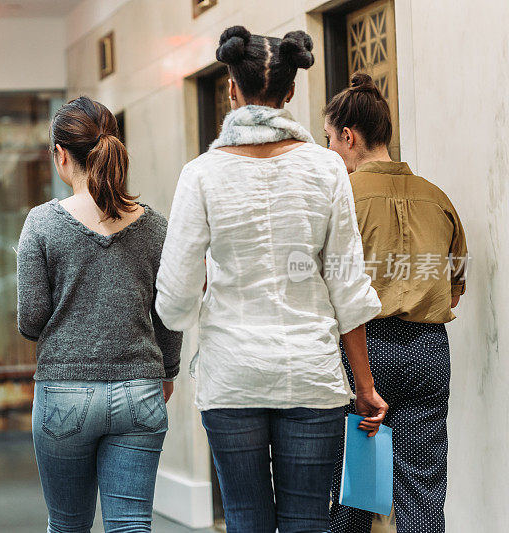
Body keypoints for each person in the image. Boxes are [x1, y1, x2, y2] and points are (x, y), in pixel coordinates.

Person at [155, 26, 389, 533]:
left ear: (231, 88)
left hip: (232, 375)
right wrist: (365, 387)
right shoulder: (327, 169)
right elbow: (347, 288)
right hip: (311, 373)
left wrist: (201, 297)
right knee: (308, 519)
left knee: (244, 518)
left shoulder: (200, 175)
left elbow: (173, 300)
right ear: (290, 92)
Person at [17, 96, 183, 533]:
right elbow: (169, 313)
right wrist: (166, 372)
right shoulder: (155, 226)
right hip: (140, 392)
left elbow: (31, 320)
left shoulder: (42, 223)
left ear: (61, 154)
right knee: (131, 526)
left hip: (64, 393)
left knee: (68, 526)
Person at [324, 73, 468, 533]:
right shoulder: (438, 198)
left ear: (349, 136)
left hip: (361, 351)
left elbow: (325, 287)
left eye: (330, 140)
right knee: (422, 490)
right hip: (428, 350)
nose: (330, 152)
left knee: (351, 491)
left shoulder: (341, 197)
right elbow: (456, 285)